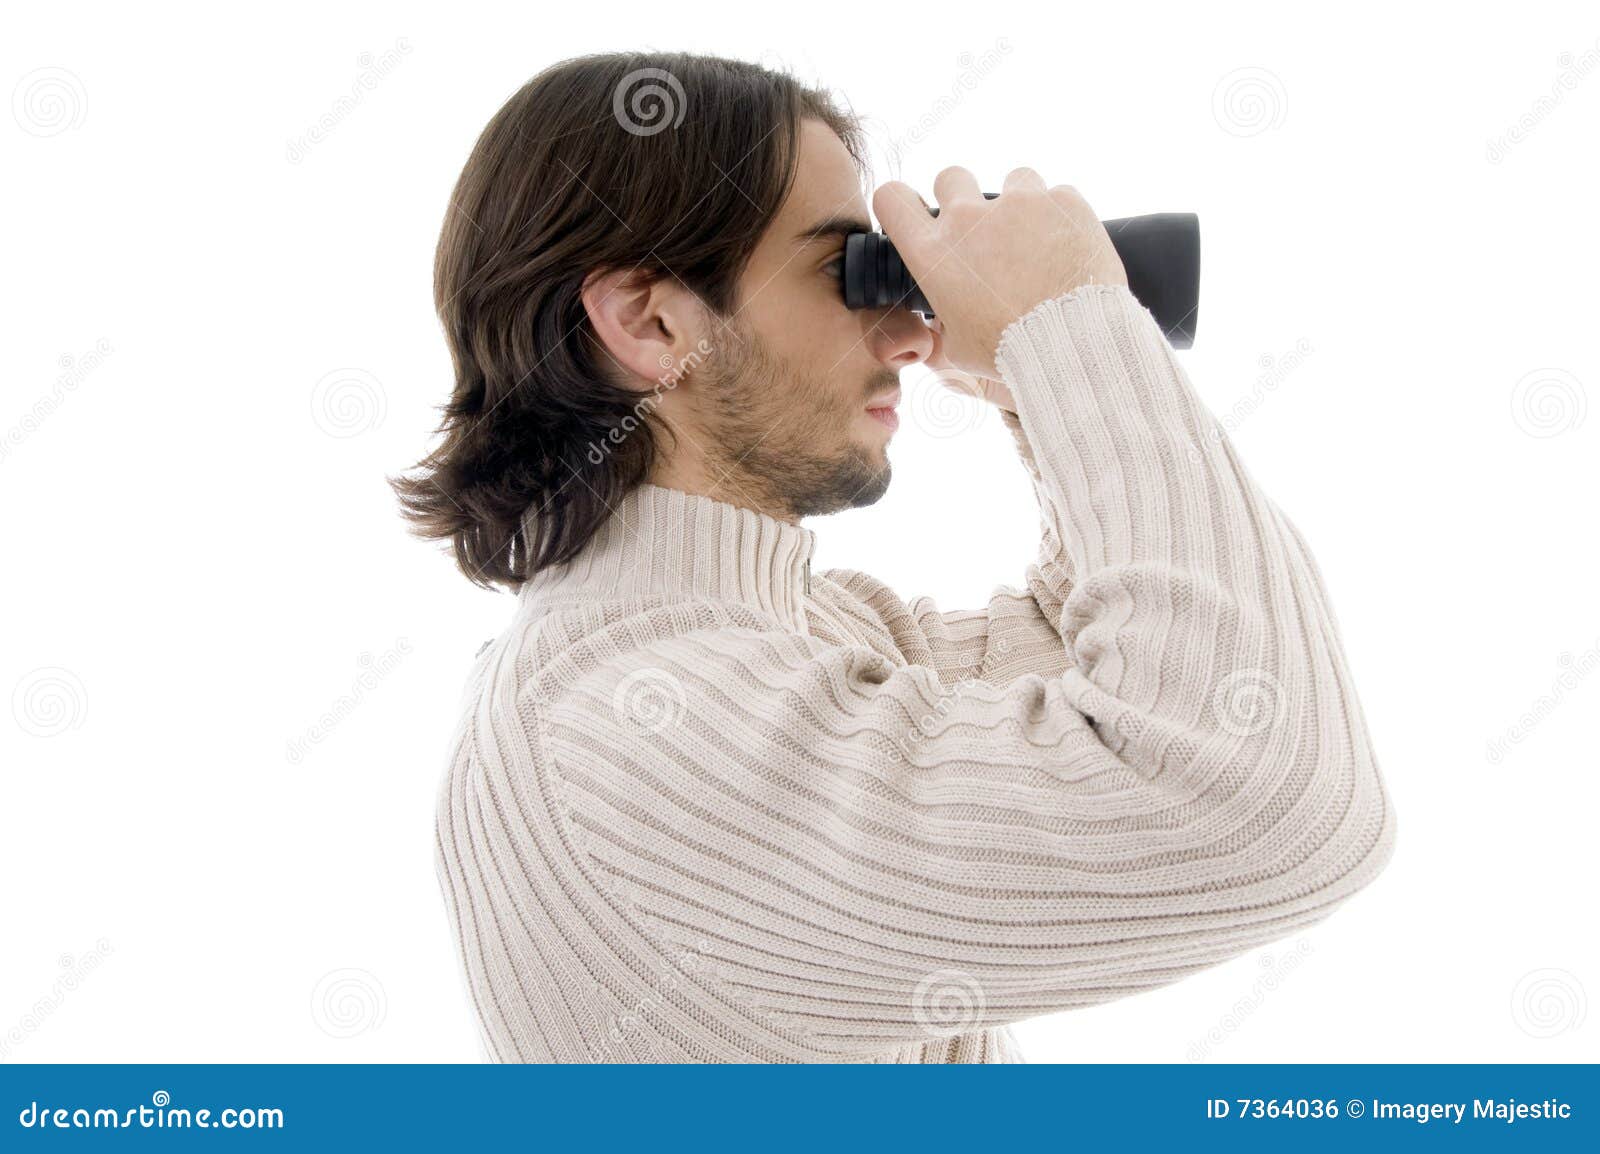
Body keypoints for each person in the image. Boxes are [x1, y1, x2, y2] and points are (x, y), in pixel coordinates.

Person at [392, 50, 1397, 1063]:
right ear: (651, 322)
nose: (908, 333)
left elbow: (1111, 646)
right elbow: (1264, 795)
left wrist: (1029, 374)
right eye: (848, 270)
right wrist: (1069, 325)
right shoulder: (639, 723)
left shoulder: (771, 641)